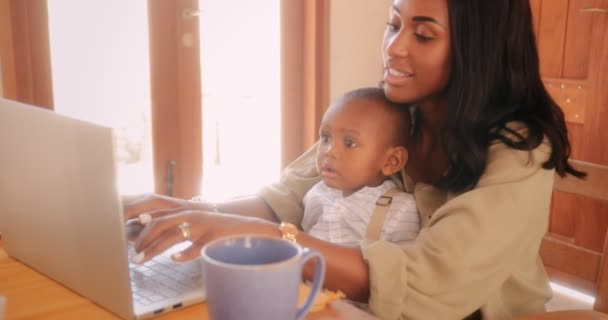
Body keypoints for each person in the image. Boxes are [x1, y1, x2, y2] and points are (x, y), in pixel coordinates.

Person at [123, 0, 586, 319]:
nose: (394, 47)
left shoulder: (520, 149)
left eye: (423, 34)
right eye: (393, 23)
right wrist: (184, 213)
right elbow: (284, 200)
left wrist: (268, 239)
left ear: (479, 51)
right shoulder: (386, 114)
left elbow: (430, 285)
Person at [301, 87, 419, 247]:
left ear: (391, 161)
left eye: (349, 143)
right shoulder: (315, 194)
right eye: (326, 138)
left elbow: (402, 268)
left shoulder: (400, 208)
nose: (329, 151)